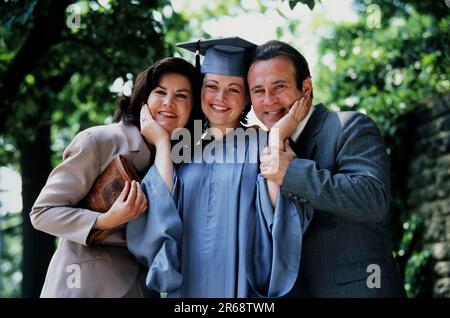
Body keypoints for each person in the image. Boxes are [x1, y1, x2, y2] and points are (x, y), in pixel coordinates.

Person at [127, 37, 313, 298]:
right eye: (211, 86)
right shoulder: (184, 151)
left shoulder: (265, 144)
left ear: (247, 98)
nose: (220, 98)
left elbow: (281, 219)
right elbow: (159, 214)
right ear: (200, 91)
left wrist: (276, 134)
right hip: (189, 290)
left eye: (233, 90)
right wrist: (161, 142)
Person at [247, 40, 406, 297]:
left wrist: (292, 172)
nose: (269, 101)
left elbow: (372, 198)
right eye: (258, 91)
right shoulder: (261, 150)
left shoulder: (349, 126)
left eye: (279, 86)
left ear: (306, 87)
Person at [30, 57, 198, 297]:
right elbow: (43, 213)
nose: (169, 103)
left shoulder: (184, 160)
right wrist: (106, 220)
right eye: (160, 92)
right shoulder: (99, 141)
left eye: (182, 96)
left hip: (141, 288)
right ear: (142, 100)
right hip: (85, 286)